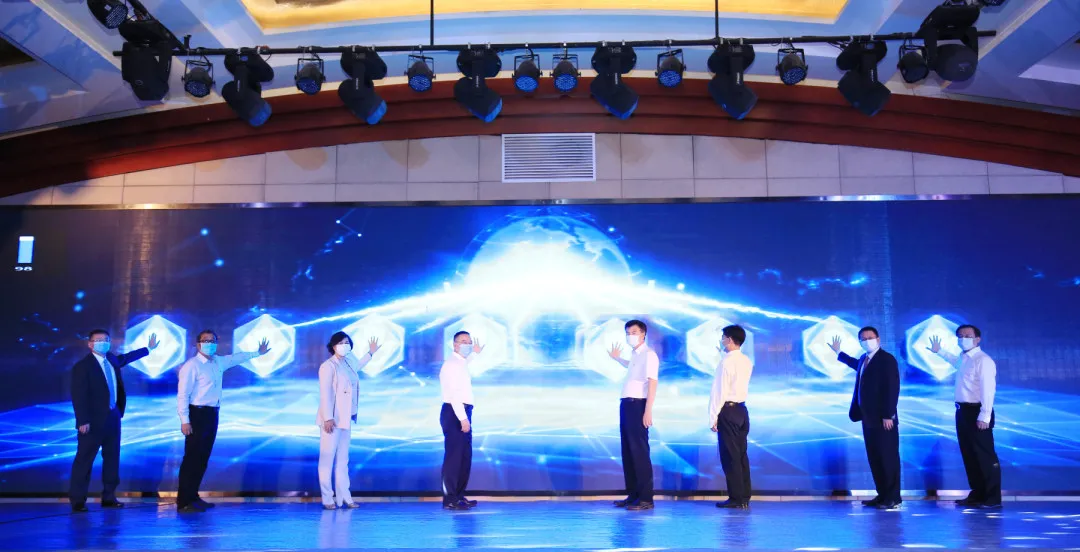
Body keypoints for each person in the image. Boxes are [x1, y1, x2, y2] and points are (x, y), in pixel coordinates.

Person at [176, 330, 270, 512]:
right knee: (191, 458)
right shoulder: (191, 366)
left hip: (212, 414)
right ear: (198, 344)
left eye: (213, 341)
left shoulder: (218, 361)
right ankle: (184, 501)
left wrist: (258, 353)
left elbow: (236, 358)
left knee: (202, 458)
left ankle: (193, 496)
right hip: (197, 414)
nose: (209, 344)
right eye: (205, 341)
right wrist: (184, 420)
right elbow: (182, 395)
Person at [69, 329, 159, 512]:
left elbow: (125, 358)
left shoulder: (111, 359)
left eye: (106, 339)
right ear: (90, 344)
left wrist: (148, 349)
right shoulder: (83, 366)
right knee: (84, 460)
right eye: (98, 340)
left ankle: (109, 497)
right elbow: (79, 395)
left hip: (113, 416)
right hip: (92, 421)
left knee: (112, 458)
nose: (102, 342)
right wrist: (82, 420)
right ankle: (78, 500)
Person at [929, 325, 1001, 509]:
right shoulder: (964, 358)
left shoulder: (983, 360)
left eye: (968, 335)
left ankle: (992, 498)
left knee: (984, 456)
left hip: (977, 412)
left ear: (978, 339)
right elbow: (954, 361)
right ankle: (978, 494)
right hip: (962, 412)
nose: (963, 339)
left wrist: (984, 415)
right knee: (969, 454)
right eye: (960, 336)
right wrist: (940, 351)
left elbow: (988, 390)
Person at [830, 327, 901, 510]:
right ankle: (882, 494)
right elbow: (857, 366)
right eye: (863, 338)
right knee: (875, 458)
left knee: (888, 458)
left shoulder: (886, 359)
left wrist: (888, 415)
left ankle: (892, 497)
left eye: (870, 337)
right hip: (868, 418)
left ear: (878, 339)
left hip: (884, 419)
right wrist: (839, 353)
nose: (867, 341)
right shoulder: (864, 359)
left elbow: (892, 388)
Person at [317, 332, 380, 510]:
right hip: (331, 420)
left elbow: (357, 367)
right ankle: (327, 498)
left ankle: (344, 497)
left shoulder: (348, 362)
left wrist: (370, 353)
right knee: (327, 459)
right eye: (341, 343)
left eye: (347, 342)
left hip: (346, 418)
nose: (344, 345)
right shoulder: (327, 366)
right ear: (333, 346)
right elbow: (325, 394)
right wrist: (328, 417)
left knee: (343, 460)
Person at [608, 319, 660, 511]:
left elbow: (652, 382)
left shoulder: (649, 354)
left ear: (643, 333)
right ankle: (633, 495)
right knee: (628, 452)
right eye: (628, 333)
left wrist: (648, 410)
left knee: (639, 453)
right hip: (627, 405)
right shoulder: (636, 355)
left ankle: (646, 498)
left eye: (634, 332)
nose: (631, 336)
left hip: (638, 405)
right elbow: (632, 367)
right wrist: (618, 359)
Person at [709, 325, 753, 509]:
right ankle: (744, 497)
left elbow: (719, 392)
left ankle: (735, 498)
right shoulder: (746, 360)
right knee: (741, 455)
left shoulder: (725, 362)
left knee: (730, 457)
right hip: (742, 411)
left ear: (728, 339)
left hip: (728, 411)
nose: (722, 340)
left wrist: (713, 417)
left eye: (723, 337)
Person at [439, 331, 483, 510]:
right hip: (455, 412)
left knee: (464, 457)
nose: (467, 344)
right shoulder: (450, 365)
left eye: (469, 341)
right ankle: (449, 499)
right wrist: (463, 418)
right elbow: (453, 394)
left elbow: (466, 361)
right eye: (463, 341)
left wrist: (476, 353)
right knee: (454, 458)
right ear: (455, 344)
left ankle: (458, 495)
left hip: (464, 411)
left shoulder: (460, 363)